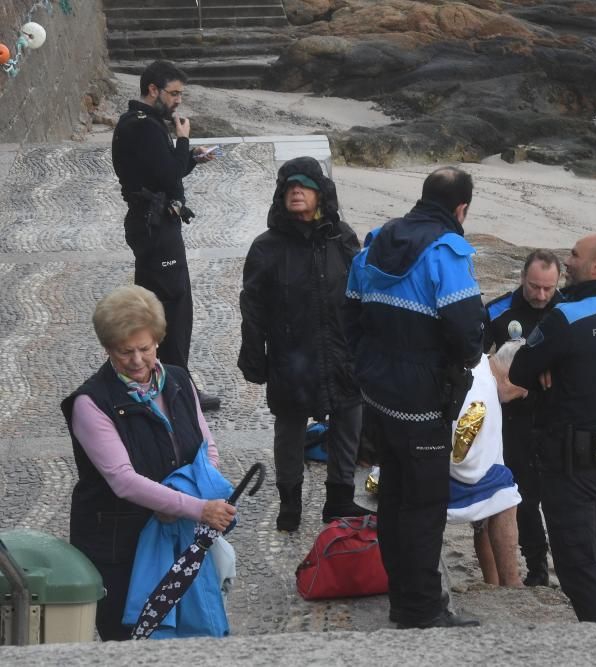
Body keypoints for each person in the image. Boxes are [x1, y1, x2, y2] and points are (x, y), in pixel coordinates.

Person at [344, 166, 486, 629]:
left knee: (393, 496)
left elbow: (349, 313)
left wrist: (369, 367)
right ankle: (421, 608)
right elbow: (468, 335)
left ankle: (401, 596)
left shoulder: (375, 240)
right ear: (460, 208)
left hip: (379, 395)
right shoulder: (447, 253)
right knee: (424, 507)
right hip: (423, 401)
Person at [61, 285, 236, 641]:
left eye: (145, 348)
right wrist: (197, 507)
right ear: (108, 348)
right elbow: (123, 481)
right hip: (119, 547)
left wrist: (198, 490)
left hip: (179, 538)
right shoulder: (91, 404)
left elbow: (207, 449)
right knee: (133, 640)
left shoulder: (179, 380)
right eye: (125, 352)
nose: (138, 361)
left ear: (158, 339)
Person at [508, 233, 596, 652]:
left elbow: (523, 369)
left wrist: (550, 365)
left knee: (577, 561)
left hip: (568, 454)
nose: (568, 261)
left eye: (576, 256)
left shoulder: (567, 318)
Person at [238, 156, 367, 533]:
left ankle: (340, 498)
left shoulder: (342, 237)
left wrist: (366, 347)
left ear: (321, 195)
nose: (296, 191)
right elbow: (253, 307)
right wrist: (254, 358)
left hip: (341, 352)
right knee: (290, 429)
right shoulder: (266, 247)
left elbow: (360, 294)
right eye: (289, 186)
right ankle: (289, 503)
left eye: (304, 186)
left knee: (349, 419)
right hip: (291, 355)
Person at [111, 60, 221, 412]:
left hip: (150, 223)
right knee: (172, 307)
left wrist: (190, 157)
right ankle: (178, 390)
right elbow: (170, 178)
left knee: (154, 306)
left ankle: (158, 382)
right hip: (156, 227)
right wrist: (184, 139)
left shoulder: (139, 124)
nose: (177, 101)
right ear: (153, 90)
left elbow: (162, 171)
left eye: (180, 94)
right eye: (173, 93)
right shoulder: (144, 127)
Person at [483, 250, 561, 586]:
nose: (542, 295)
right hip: (513, 419)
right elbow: (475, 364)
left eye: (548, 288)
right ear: (522, 278)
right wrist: (506, 383)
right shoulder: (498, 311)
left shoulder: (567, 309)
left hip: (559, 416)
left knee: (559, 497)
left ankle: (568, 565)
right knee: (523, 498)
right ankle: (537, 568)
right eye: (534, 287)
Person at [447, 341, 527, 588]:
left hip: (422, 458)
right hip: (437, 474)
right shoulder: (480, 393)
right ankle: (510, 581)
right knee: (505, 493)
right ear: (513, 375)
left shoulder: (481, 363)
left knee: (497, 483)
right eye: (524, 388)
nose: (524, 395)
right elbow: (464, 464)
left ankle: (492, 582)